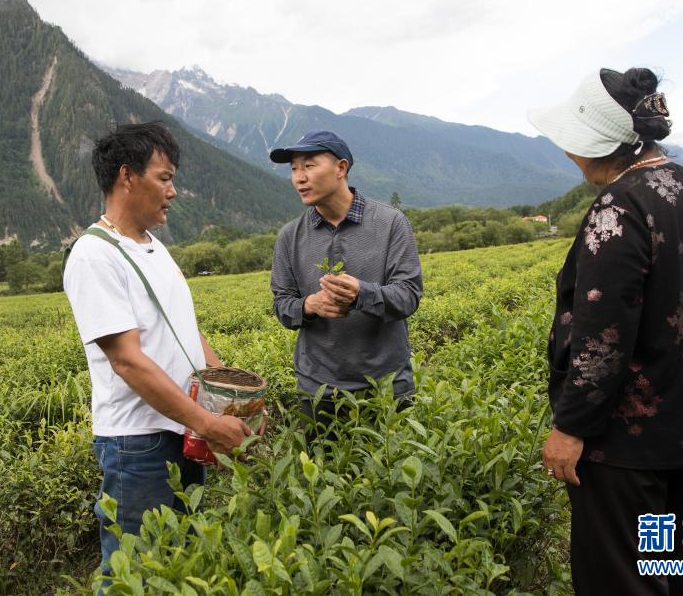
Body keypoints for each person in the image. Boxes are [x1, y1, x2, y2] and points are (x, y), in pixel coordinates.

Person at [529, 69, 683, 595]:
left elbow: (602, 336)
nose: (569, 156)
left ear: (598, 144)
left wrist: (571, 427)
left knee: (620, 580)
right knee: (665, 569)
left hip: (628, 443)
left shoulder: (620, 206)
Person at [62, 121, 250, 576]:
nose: (173, 191)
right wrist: (207, 422)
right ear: (127, 176)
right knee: (133, 570)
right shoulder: (94, 255)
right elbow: (126, 360)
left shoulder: (153, 247)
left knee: (180, 561)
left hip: (181, 428)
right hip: (139, 443)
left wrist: (226, 389)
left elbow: (185, 328)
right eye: (164, 178)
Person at [268, 130, 423, 435]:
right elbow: (282, 304)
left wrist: (362, 294)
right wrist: (309, 305)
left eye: (309, 166)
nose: (299, 177)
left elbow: (408, 296)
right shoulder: (290, 236)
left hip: (386, 389)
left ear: (340, 168)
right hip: (319, 393)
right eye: (294, 169)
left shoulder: (390, 223)